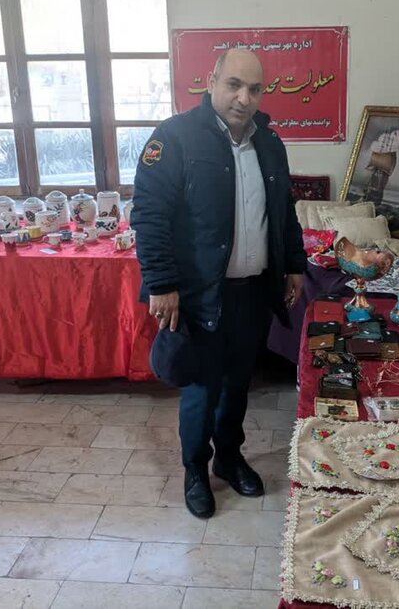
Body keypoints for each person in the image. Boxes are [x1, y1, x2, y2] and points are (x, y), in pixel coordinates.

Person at [131, 49, 307, 519]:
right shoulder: (175, 138)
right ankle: (195, 470)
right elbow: (149, 216)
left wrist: (293, 264)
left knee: (238, 384)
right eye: (234, 85)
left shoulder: (269, 142)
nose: (244, 98)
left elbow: (284, 210)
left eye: (254, 89)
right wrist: (161, 283)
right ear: (211, 81)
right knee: (202, 388)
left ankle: (228, 457)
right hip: (198, 295)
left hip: (252, 291)